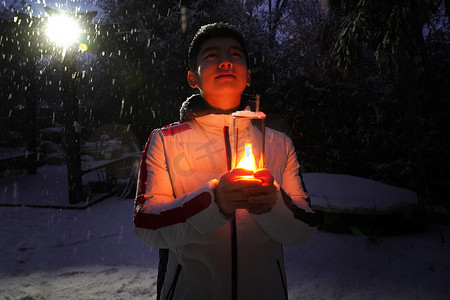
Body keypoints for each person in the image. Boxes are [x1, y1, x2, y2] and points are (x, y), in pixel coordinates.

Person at [134, 22, 317, 300]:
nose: (225, 63)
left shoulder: (278, 143)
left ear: (248, 76)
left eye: (235, 55)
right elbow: (147, 224)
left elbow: (304, 228)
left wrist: (274, 203)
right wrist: (214, 201)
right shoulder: (166, 141)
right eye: (211, 56)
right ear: (192, 78)